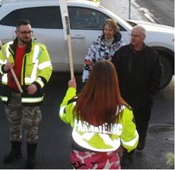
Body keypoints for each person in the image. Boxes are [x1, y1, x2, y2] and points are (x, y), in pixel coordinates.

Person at [0, 20, 52, 169]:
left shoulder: (39, 49)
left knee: (31, 126)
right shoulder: (6, 48)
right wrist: (3, 67)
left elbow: (47, 69)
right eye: (24, 32)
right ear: (17, 33)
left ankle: (31, 155)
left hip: (30, 95)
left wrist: (37, 84)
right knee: (14, 125)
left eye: (30, 32)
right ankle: (15, 151)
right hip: (11, 95)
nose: (28, 35)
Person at [59, 61, 138, 168]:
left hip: (81, 160)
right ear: (114, 80)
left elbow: (63, 114)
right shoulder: (124, 110)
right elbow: (130, 141)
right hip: (108, 161)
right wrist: (123, 148)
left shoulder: (76, 104)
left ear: (91, 79)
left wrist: (71, 90)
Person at [112, 25, 161, 164]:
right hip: (123, 98)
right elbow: (113, 72)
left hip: (142, 100)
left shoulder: (152, 55)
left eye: (136, 36)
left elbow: (156, 77)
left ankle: (138, 143)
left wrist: (149, 94)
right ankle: (127, 152)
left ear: (143, 38)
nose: (132, 38)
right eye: (131, 35)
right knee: (124, 126)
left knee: (140, 125)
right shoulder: (122, 52)